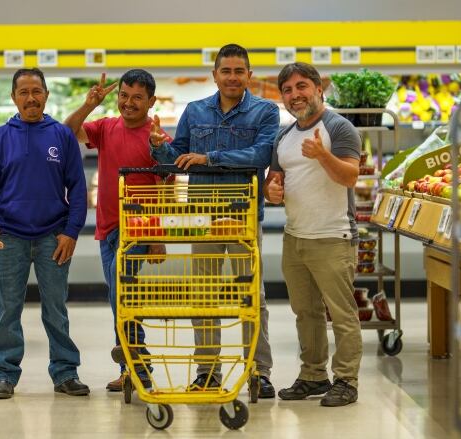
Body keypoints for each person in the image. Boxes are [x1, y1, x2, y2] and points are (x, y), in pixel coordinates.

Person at [149, 43, 278, 399]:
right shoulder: (194, 110)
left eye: (239, 71)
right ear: (215, 75)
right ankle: (208, 371)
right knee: (203, 295)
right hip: (202, 216)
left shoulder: (265, 111)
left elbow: (261, 155)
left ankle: (259, 370)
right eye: (227, 71)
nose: (233, 77)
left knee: (252, 296)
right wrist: (160, 145)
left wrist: (210, 157)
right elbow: (179, 156)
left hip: (242, 214)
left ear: (249, 76)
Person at [0, 68, 90, 399]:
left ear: (46, 95)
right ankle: (5, 374)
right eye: (24, 92)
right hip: (8, 235)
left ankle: (66, 372)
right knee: (7, 307)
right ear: (13, 98)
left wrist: (71, 231)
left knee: (56, 307)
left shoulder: (62, 136)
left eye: (36, 91)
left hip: (52, 237)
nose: (31, 98)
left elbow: (78, 188)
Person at [64, 69, 169, 392]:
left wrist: (157, 239)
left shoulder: (158, 140)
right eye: (124, 95)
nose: (129, 103)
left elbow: (164, 191)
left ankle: (135, 363)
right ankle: (135, 367)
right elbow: (66, 132)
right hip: (106, 228)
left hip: (138, 230)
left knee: (120, 294)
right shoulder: (107, 127)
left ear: (151, 101)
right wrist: (89, 105)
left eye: (138, 97)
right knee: (121, 297)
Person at [264, 62, 362, 407]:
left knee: (341, 313)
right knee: (305, 312)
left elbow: (350, 177)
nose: (295, 95)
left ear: (319, 89)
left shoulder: (339, 127)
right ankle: (313, 375)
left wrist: (322, 155)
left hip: (334, 236)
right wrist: (271, 191)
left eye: (301, 86)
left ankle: (346, 380)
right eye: (287, 90)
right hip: (296, 237)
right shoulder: (284, 135)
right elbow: (273, 181)